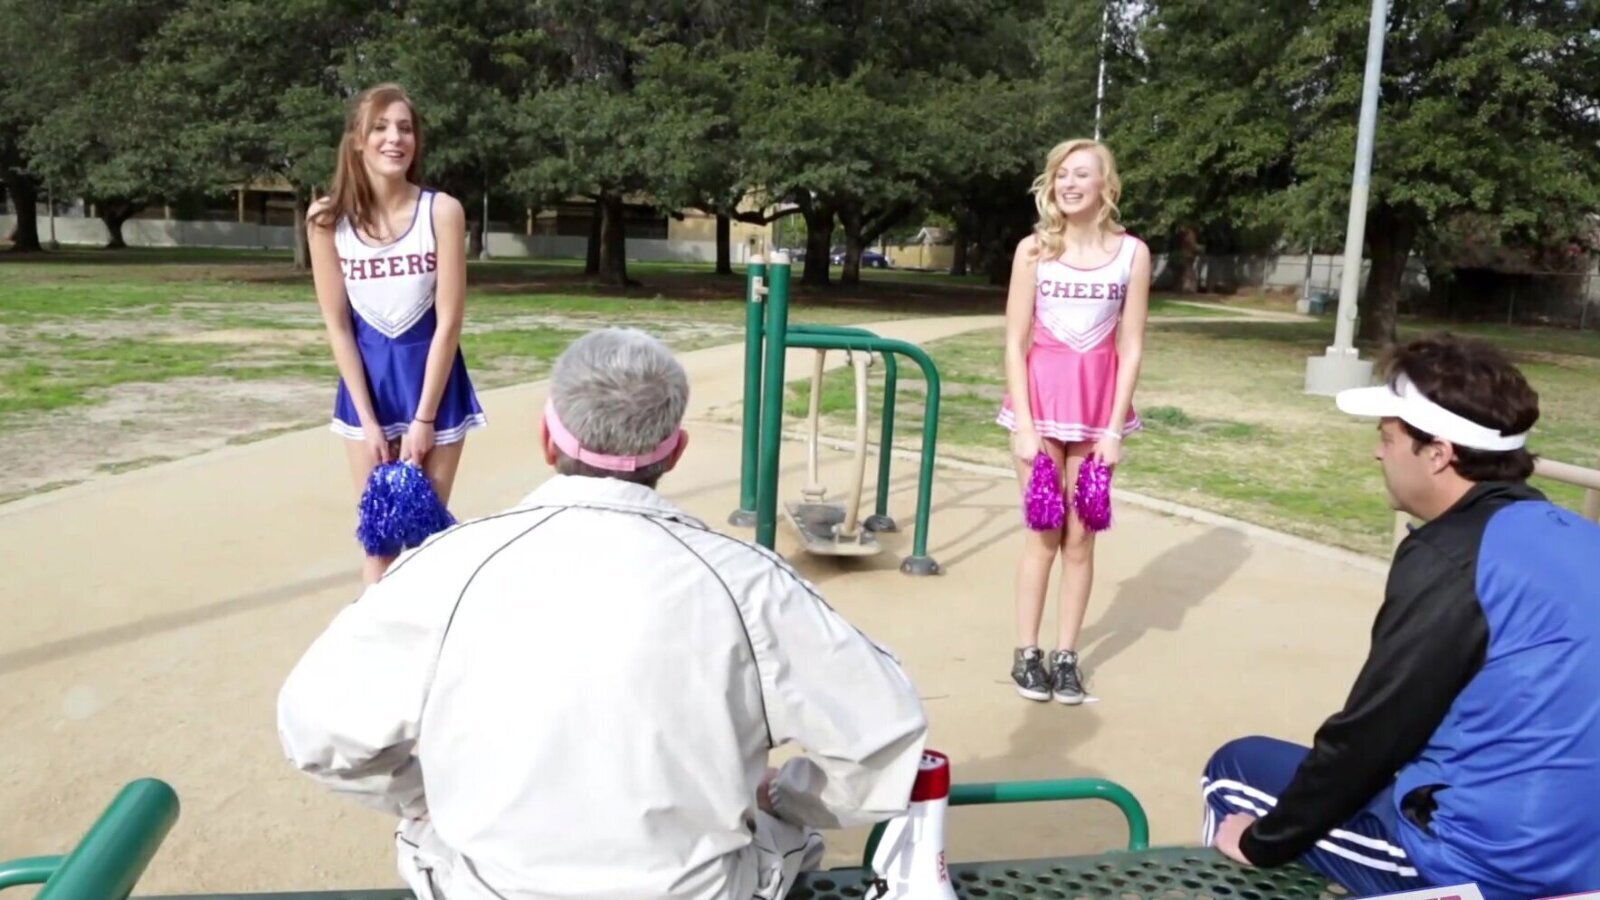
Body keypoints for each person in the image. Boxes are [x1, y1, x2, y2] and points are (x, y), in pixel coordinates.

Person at [276, 328, 929, 900]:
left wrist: (423, 798)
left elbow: (314, 728)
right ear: (674, 453)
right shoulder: (745, 583)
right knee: (784, 836)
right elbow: (885, 735)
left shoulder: (448, 567)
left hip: (487, 887)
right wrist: (786, 798)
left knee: (428, 838)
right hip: (693, 889)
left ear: (544, 435)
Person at [1203, 334, 1600, 899]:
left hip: (1488, 865)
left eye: (1387, 438)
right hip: (1586, 858)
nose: (1377, 453)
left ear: (1437, 453)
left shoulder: (1451, 557)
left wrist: (1263, 842)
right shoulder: (1580, 539)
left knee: (1235, 770)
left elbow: (1372, 734)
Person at [307, 83, 486, 585]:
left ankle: (425, 651)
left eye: (405, 128)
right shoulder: (326, 220)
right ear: (357, 141)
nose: (395, 138)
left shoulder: (441, 211)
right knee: (380, 541)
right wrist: (367, 419)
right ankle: (371, 653)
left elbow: (449, 320)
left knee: (425, 541)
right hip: (366, 391)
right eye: (381, 127)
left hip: (433, 388)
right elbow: (338, 325)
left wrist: (423, 418)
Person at [997, 138, 1151, 704]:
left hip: (1095, 417)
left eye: (1080, 174)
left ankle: (1066, 657)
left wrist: (1112, 431)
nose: (1068, 184)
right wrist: (1025, 425)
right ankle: (1027, 653)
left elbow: (1130, 348)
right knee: (1044, 532)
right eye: (1060, 175)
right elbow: (1014, 344)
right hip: (1037, 409)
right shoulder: (1032, 252)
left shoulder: (1132, 254)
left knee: (1081, 538)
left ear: (1105, 186)